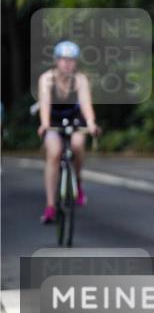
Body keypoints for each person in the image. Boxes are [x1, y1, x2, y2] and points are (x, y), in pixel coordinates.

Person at [36, 40, 101, 224]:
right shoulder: (47, 79)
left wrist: (91, 123)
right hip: (53, 120)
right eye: (63, 60)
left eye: (71, 60)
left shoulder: (80, 80)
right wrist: (44, 124)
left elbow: (87, 106)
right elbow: (45, 105)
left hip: (75, 119)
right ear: (57, 61)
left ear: (76, 62)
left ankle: (78, 183)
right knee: (54, 153)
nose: (67, 64)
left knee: (78, 144)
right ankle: (50, 206)